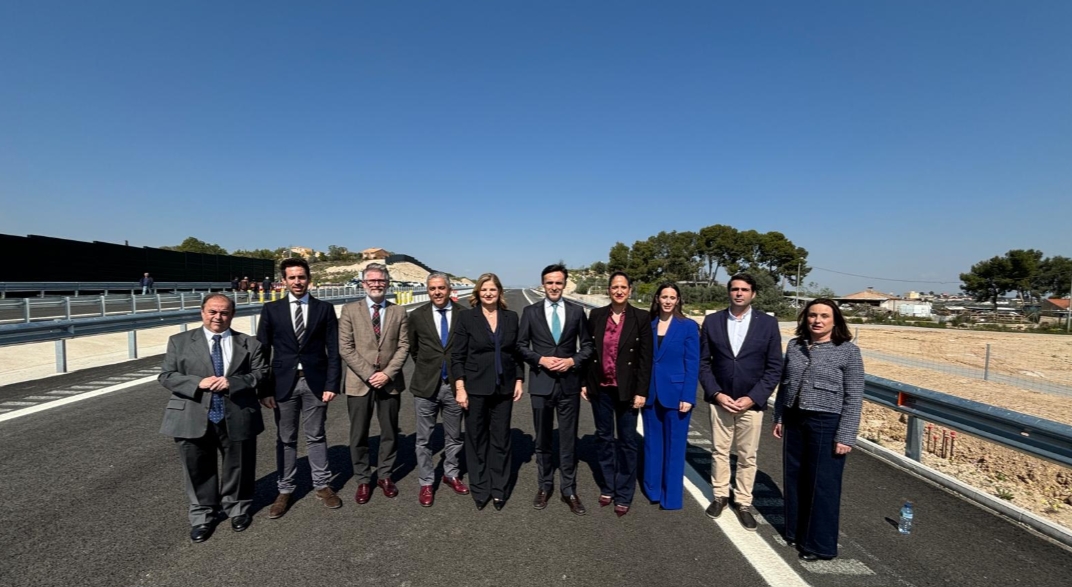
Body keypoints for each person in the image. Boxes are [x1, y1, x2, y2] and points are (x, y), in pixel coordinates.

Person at [159, 294, 268, 543]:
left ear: (233, 314)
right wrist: (198, 382)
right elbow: (166, 376)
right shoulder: (180, 341)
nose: (218, 317)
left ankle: (238, 508)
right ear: (202, 312)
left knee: (239, 465)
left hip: (237, 413)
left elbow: (260, 373)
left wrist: (233, 382)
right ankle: (203, 516)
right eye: (213, 312)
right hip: (192, 414)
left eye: (224, 312)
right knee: (197, 468)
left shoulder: (249, 343)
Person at [773, 298, 864, 561]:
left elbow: (854, 396)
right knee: (795, 477)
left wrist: (846, 435)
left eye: (824, 316)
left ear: (835, 320)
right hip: (795, 418)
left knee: (822, 484)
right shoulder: (795, 346)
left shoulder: (847, 351)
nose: (817, 320)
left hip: (826, 421)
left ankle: (819, 545)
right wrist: (779, 416)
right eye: (812, 315)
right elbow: (785, 383)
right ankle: (795, 532)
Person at [256, 258, 343, 518]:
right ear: (284, 281)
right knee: (286, 438)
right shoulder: (271, 310)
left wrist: (332, 383)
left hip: (315, 382)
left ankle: (322, 485)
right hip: (283, 384)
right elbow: (262, 351)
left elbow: (334, 350)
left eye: (301, 277)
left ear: (309, 279)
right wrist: (263, 389)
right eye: (292, 277)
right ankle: (285, 489)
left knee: (316, 435)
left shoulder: (324, 309)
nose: (297, 281)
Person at [698, 273, 783, 530]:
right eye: (734, 289)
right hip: (721, 400)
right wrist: (716, 394)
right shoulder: (712, 322)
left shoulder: (768, 324)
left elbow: (774, 367)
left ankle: (743, 502)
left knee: (747, 455)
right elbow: (703, 363)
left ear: (753, 294)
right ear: (729, 292)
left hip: (751, 403)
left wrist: (753, 397)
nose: (739, 293)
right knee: (720, 451)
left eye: (744, 289)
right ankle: (721, 496)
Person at [518, 264, 594, 515]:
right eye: (549, 282)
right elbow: (520, 346)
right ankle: (544, 486)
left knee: (569, 440)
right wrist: (540, 359)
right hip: (541, 384)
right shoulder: (530, 312)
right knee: (542, 439)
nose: (553, 287)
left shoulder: (576, 312)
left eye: (558, 283)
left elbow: (588, 346)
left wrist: (572, 361)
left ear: (565, 284)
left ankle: (569, 490)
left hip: (568, 385)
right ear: (543, 284)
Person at [451, 273, 524, 511]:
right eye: (484, 290)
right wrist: (460, 387)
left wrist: (519, 379)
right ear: (477, 294)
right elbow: (457, 356)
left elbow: (516, 352)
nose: (488, 294)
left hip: (504, 387)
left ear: (499, 292)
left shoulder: (511, 318)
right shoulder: (466, 318)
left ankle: (499, 489)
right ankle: (480, 488)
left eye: (492, 290)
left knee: (501, 439)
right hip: (475, 388)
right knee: (476, 439)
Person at [581, 271, 651, 517]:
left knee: (628, 442)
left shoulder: (641, 317)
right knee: (603, 438)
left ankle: (624, 492)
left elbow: (645, 359)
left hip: (628, 391)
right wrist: (584, 382)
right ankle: (608, 486)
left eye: (623, 287)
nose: (619, 291)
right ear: (608, 290)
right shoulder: (597, 315)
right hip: (600, 388)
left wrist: (642, 391)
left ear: (630, 290)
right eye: (614, 287)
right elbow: (588, 352)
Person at [339, 263, 410, 504]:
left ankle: (385, 475)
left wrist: (387, 374)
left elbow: (403, 347)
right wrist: (370, 374)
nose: (376, 284)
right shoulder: (350, 310)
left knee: (389, 431)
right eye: (371, 281)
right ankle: (362, 478)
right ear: (363, 284)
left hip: (389, 382)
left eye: (380, 281)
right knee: (359, 432)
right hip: (360, 381)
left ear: (387, 283)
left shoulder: (398, 312)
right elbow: (345, 348)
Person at [406, 272, 469, 507]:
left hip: (455, 386)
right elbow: (413, 348)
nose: (437, 292)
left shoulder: (464, 315)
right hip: (426, 385)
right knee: (424, 439)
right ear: (427, 290)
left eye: (441, 288)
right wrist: (429, 368)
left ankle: (451, 473)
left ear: (449, 289)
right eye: (433, 288)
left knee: (454, 436)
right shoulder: (417, 316)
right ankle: (425, 482)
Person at [642, 282, 699, 510]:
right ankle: (652, 490)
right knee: (652, 445)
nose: (667, 301)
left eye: (672, 297)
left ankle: (671, 497)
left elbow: (692, 363)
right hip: (650, 394)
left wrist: (688, 396)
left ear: (678, 301)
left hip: (677, 395)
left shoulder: (688, 327)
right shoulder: (649, 324)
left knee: (675, 447)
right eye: (663, 296)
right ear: (657, 299)